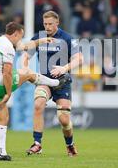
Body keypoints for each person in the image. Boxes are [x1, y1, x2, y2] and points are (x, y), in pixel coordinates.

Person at [0, 22, 70, 160]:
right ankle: (57, 83)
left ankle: (2, 153)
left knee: (3, 118)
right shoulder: (8, 47)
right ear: (15, 34)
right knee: (27, 73)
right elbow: (7, 73)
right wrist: (8, 93)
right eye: (20, 37)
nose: (20, 41)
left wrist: (41, 41)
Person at [25, 11, 84, 157]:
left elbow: (79, 59)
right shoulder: (39, 37)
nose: (47, 27)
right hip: (44, 80)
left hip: (62, 82)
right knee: (38, 104)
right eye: (45, 24)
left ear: (57, 23)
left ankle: (70, 144)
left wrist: (64, 68)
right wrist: (25, 67)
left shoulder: (67, 38)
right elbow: (26, 54)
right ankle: (37, 144)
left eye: (50, 24)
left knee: (64, 119)